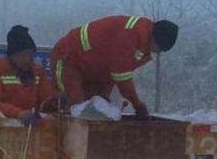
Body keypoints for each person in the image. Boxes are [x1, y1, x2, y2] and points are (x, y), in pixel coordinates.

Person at [50, 15, 178, 120]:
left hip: (94, 71)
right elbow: (120, 74)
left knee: (97, 114)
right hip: (69, 59)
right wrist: (137, 104)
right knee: (77, 109)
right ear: (155, 39)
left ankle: (89, 148)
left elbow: (111, 72)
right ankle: (61, 142)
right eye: (158, 49)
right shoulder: (130, 35)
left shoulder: (141, 43)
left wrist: (104, 95)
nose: (156, 52)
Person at [0, 25, 58, 126]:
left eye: (31, 55)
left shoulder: (38, 72)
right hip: (3, 129)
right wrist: (18, 113)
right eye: (23, 55)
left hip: (34, 130)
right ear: (12, 55)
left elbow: (46, 100)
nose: (28, 59)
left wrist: (57, 102)